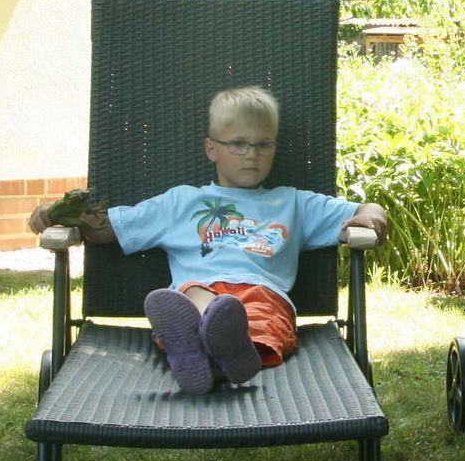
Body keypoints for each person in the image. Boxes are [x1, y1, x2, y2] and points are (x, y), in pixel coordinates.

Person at [27, 86, 387, 397]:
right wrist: (55, 214)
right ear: (211, 148)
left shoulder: (293, 203)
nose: (252, 154)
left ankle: (205, 359)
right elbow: (106, 228)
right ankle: (210, 351)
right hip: (196, 293)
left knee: (250, 320)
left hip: (262, 295)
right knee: (192, 297)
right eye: (239, 144)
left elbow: (366, 209)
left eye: (263, 144)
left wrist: (371, 218)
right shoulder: (180, 202)